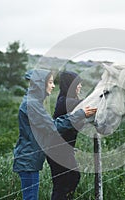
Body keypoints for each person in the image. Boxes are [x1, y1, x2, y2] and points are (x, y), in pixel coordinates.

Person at [13, 69, 97, 200]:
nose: (53, 86)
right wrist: (81, 114)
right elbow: (53, 127)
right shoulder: (32, 104)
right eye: (50, 82)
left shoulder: (34, 102)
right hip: (28, 160)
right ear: (41, 84)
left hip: (30, 159)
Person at [46, 71, 84, 200]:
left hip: (63, 149)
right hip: (56, 150)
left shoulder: (67, 100)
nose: (80, 86)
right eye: (78, 84)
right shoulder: (66, 102)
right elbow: (87, 106)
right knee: (61, 185)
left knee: (73, 177)